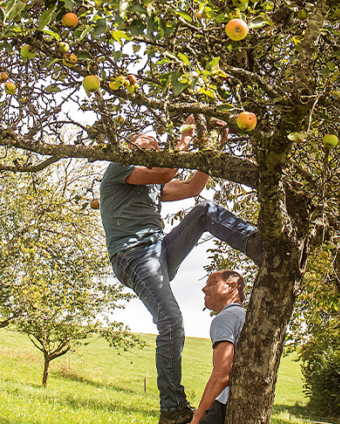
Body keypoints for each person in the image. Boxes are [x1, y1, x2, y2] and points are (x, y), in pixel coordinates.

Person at [98, 117, 262, 424]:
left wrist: (212, 150)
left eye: (160, 145)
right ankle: (172, 409)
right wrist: (187, 130)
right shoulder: (120, 164)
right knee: (171, 321)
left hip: (157, 251)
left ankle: (257, 244)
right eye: (151, 143)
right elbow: (168, 169)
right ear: (131, 145)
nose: (158, 147)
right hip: (133, 256)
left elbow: (192, 187)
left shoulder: (151, 185)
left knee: (203, 210)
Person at [190, 270, 247, 424]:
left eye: (212, 283)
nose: (204, 289)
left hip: (224, 405)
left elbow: (222, 373)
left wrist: (197, 418)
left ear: (232, 287)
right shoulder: (245, 316)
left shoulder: (225, 318)